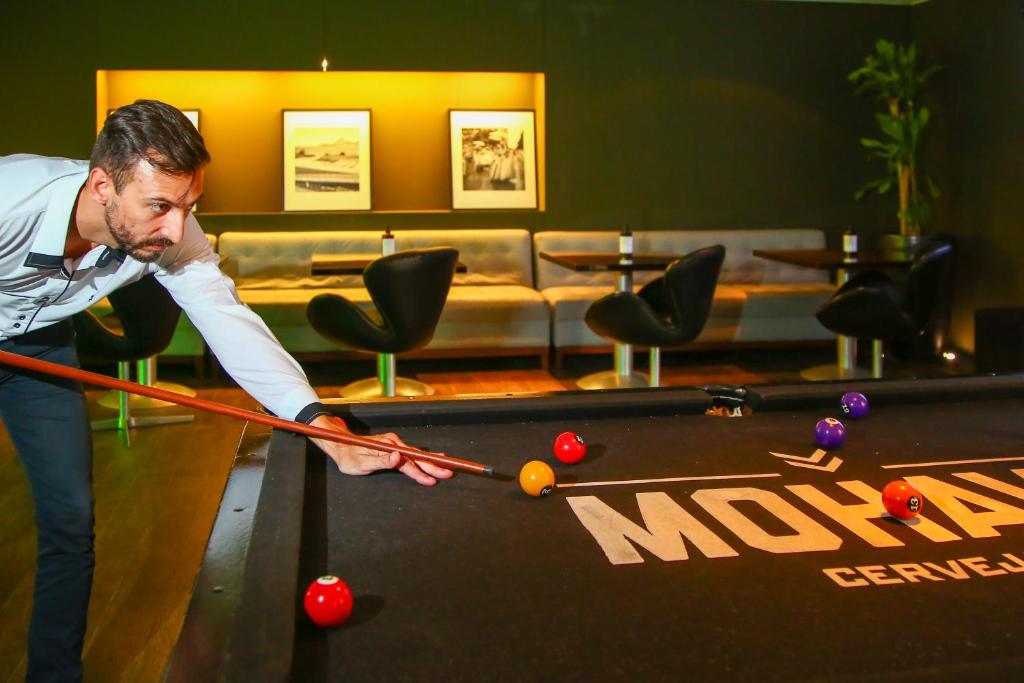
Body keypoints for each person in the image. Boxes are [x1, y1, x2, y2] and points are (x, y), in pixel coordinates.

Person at [0, 99, 453, 682]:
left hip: (38, 348)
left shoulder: (173, 231)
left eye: (188, 206)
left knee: (70, 517)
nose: (175, 228)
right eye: (160, 206)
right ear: (102, 185)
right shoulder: (12, 199)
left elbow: (228, 321)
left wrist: (324, 429)